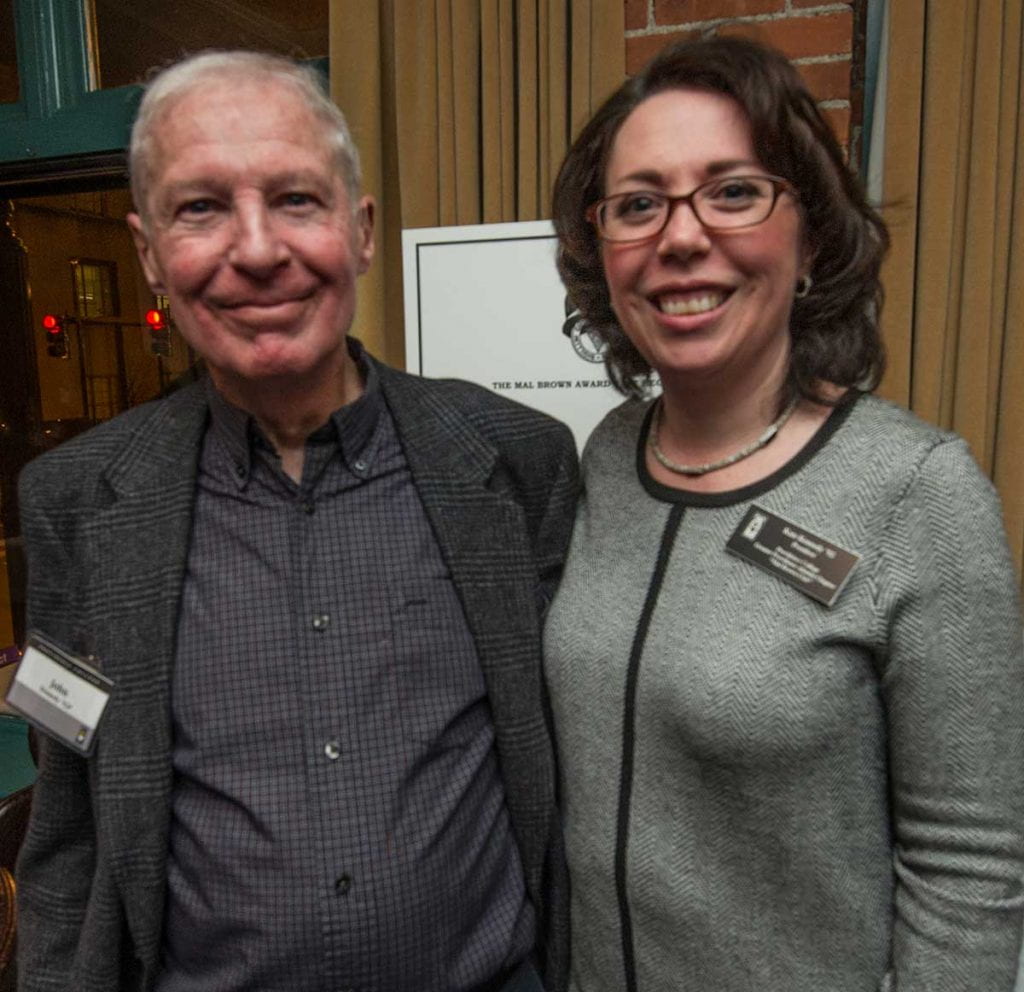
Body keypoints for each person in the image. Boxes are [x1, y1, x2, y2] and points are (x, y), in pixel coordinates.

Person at [16, 50, 576, 992]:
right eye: (200, 208)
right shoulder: (75, 502)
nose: (259, 248)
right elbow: (69, 831)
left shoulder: (517, 463)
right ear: (150, 251)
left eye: (296, 200)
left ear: (359, 230)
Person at [544, 35, 1024, 992]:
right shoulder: (605, 456)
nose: (681, 237)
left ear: (809, 235)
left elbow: (970, 866)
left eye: (733, 190)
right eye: (639, 204)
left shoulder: (916, 490)